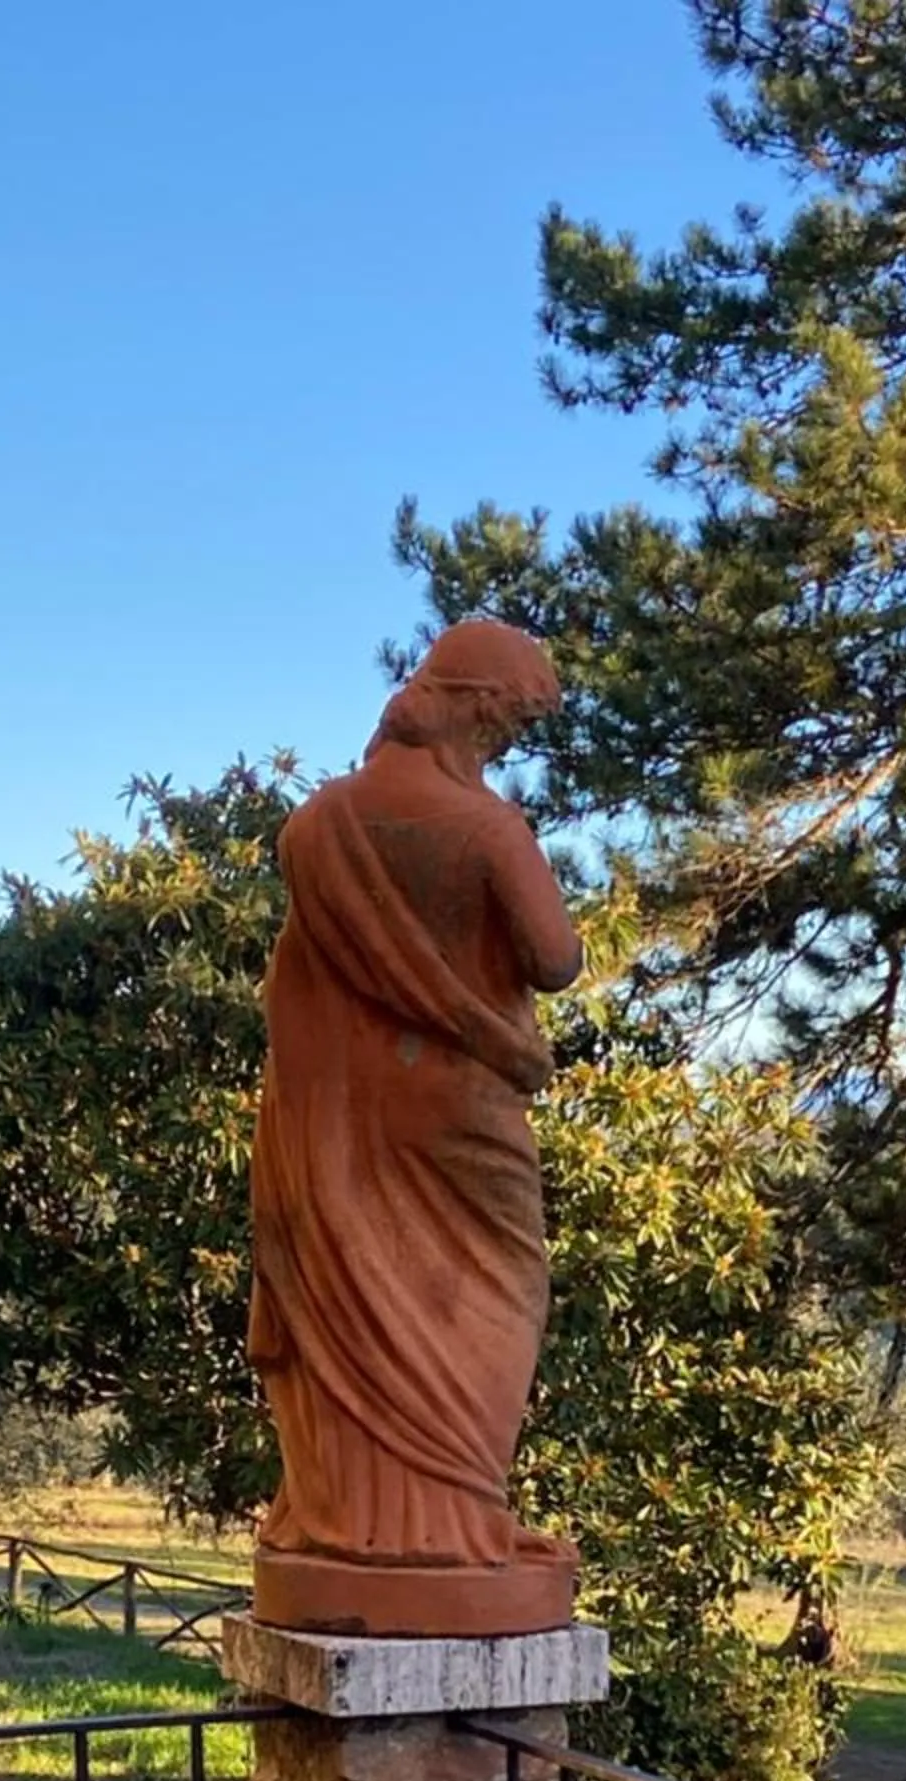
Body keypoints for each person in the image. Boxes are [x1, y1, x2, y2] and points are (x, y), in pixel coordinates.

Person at [248, 619, 585, 1634]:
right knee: (500, 1291)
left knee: (355, 1295)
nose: (511, 745)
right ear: (476, 706)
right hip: (458, 1106)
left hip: (340, 1121)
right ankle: (449, 1525)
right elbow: (555, 958)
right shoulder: (487, 831)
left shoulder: (317, 828)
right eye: (513, 723)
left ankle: (356, 1521)